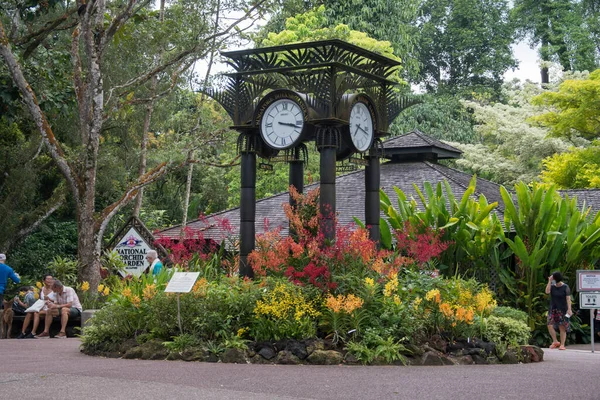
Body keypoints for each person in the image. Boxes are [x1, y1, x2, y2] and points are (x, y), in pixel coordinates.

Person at [17, 274, 55, 339]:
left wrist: (49, 300)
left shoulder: (55, 289)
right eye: (48, 279)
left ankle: (33, 332)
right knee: (29, 313)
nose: (50, 281)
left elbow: (58, 300)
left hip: (50, 308)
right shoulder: (42, 289)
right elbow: (40, 299)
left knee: (36, 313)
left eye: (51, 279)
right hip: (41, 307)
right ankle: (23, 332)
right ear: (44, 281)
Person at [546, 271, 572, 350]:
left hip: (562, 309)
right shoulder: (552, 286)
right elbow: (547, 292)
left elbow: (568, 298)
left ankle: (562, 344)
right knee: (549, 325)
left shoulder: (565, 287)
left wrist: (569, 309)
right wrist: (549, 282)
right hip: (553, 309)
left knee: (562, 327)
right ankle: (555, 341)